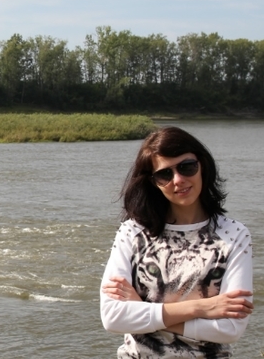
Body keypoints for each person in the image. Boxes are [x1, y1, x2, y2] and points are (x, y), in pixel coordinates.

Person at [100, 126, 254, 358]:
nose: (178, 180)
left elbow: (230, 329)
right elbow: (113, 318)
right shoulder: (132, 232)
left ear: (202, 165)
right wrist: (201, 308)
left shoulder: (233, 234)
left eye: (187, 167)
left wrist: (143, 310)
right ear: (154, 182)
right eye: (165, 174)